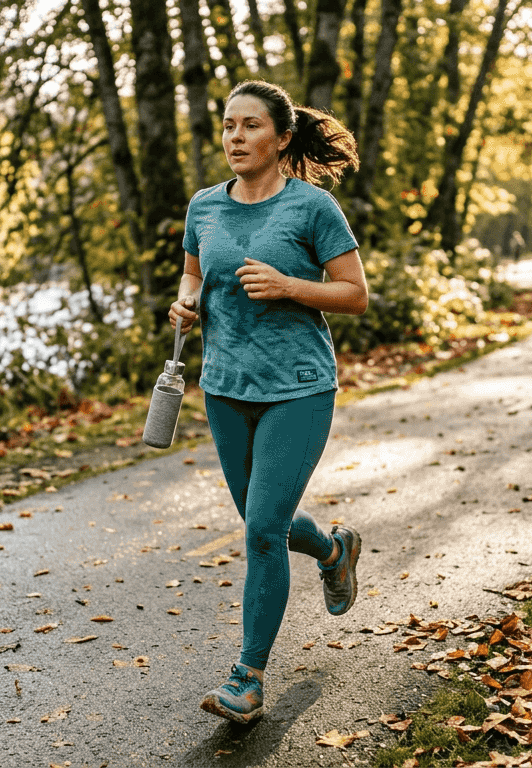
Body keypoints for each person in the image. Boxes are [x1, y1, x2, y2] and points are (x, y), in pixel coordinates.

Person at [168, 80, 367, 725]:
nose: (234, 138)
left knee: (259, 531)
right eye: (228, 126)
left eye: (250, 126)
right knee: (269, 525)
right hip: (224, 389)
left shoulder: (314, 208)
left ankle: (247, 678)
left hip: (299, 388)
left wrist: (288, 286)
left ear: (281, 139)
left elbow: (355, 294)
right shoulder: (204, 206)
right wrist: (187, 305)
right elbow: (196, 271)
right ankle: (334, 551)